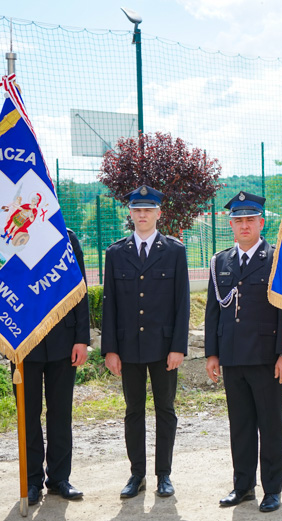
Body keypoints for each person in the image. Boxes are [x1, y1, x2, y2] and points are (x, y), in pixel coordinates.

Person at [102, 185, 190, 499]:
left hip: (164, 348)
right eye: (137, 210)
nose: (142, 215)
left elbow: (182, 303)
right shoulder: (115, 253)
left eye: (148, 210)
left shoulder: (175, 251)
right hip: (128, 349)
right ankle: (136, 474)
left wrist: (178, 346)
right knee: (133, 411)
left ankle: (163, 474)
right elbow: (110, 305)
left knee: (165, 410)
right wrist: (110, 348)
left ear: (158, 213)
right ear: (130, 213)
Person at [205, 191, 282, 513]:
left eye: (250, 220)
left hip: (267, 358)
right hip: (232, 355)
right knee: (239, 425)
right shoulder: (220, 262)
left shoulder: (276, 259)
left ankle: (272, 490)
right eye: (238, 220)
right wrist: (212, 354)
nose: (244, 225)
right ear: (231, 224)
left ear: (261, 223)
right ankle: (243, 486)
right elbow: (213, 311)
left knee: (270, 426)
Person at [17, 229, 90, 505]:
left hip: (63, 340)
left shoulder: (67, 237)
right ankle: (32, 480)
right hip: (25, 342)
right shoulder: (11, 235)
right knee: (28, 414)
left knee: (61, 412)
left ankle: (59, 478)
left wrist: (82, 339)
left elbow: (79, 288)